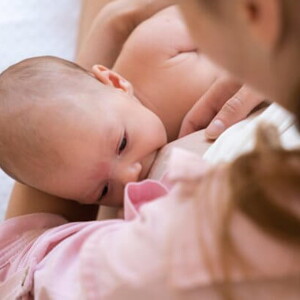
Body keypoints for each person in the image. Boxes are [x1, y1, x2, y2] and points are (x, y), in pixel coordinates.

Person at [1, 0, 300, 299]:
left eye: (122, 144)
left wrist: (112, 25)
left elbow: (22, 259)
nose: (130, 175)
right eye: (104, 189)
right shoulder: (138, 226)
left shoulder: (152, 52)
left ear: (117, 82)